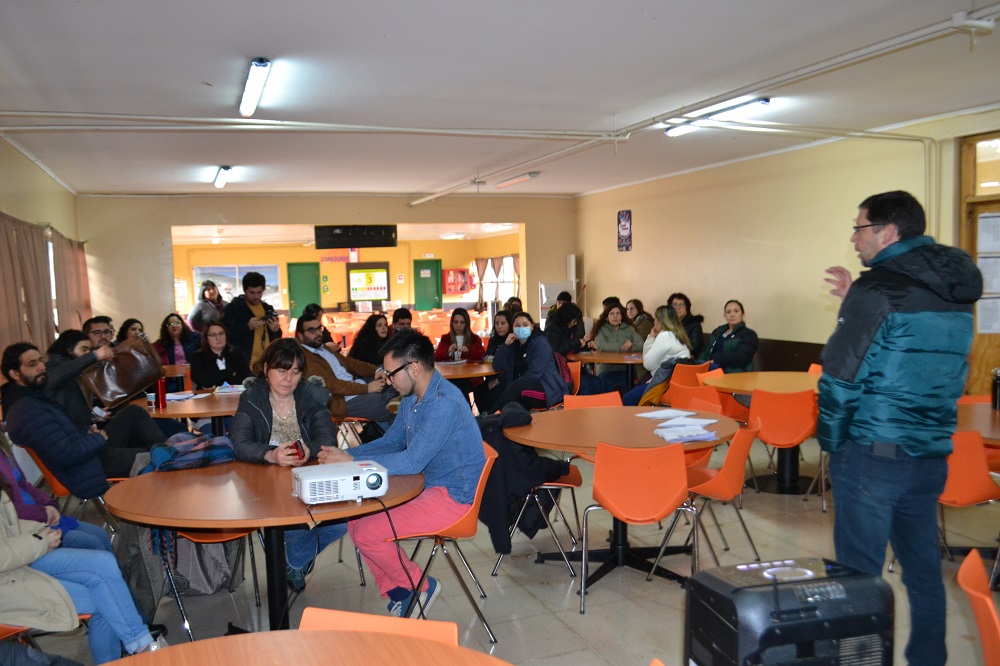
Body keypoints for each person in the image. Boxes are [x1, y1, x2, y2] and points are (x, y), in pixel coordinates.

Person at [817, 190, 982, 666]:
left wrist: (832, 444)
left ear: (888, 232)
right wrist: (858, 298)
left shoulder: (878, 291)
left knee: (857, 576)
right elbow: (915, 352)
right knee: (923, 572)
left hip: (871, 454)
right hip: (928, 454)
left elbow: (841, 376)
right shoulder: (952, 293)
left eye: (860, 227)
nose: (854, 238)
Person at [317, 330, 486, 617]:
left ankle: (420, 587)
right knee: (357, 522)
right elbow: (391, 442)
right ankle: (400, 593)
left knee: (369, 533)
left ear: (414, 368)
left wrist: (351, 462)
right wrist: (346, 456)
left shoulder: (443, 403)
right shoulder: (413, 396)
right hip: (429, 487)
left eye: (390, 373)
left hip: (453, 498)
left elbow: (411, 461)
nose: (387, 380)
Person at [0, 480, 167, 664]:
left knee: (103, 572)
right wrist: (39, 541)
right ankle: (142, 645)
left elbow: (8, 526)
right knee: (103, 593)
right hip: (9, 586)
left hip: (19, 564)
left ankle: (140, 644)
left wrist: (39, 531)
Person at [231, 339, 348, 592]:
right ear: (265, 370)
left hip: (310, 476)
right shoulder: (251, 398)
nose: (288, 379)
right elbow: (240, 444)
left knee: (340, 524)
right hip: (266, 483)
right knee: (291, 526)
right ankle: (293, 560)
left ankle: (291, 561)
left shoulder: (312, 395)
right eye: (281, 370)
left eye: (295, 372)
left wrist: (309, 448)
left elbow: (327, 437)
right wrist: (271, 455)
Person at [1, 343, 156, 496]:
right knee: (152, 457)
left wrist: (87, 431)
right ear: (15, 374)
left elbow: (62, 435)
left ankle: (166, 451)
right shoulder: (28, 411)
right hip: (87, 469)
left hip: (88, 453)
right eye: (32, 364)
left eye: (41, 360)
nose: (41, 367)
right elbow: (67, 454)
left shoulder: (32, 400)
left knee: (134, 414)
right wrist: (97, 438)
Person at [38, 337, 164, 480]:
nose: (88, 353)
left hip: (93, 439)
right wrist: (94, 356)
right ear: (68, 350)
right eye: (84, 349)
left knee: (134, 412)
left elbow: (70, 413)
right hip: (88, 453)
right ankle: (165, 457)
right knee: (146, 455)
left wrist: (92, 416)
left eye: (90, 350)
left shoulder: (75, 375)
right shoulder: (54, 370)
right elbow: (53, 379)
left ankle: (166, 452)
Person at [296, 313, 392, 427]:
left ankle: (381, 433)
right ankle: (394, 440)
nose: (318, 333)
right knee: (389, 406)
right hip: (343, 401)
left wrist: (377, 371)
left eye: (319, 328)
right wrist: (367, 388)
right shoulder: (306, 358)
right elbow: (332, 385)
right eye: (312, 330)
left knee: (391, 376)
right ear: (300, 335)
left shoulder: (324, 348)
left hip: (356, 387)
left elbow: (352, 364)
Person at [491, 312, 566, 411]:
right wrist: (505, 345)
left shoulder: (540, 343)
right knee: (505, 404)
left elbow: (534, 374)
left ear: (532, 327)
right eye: (517, 325)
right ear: (512, 328)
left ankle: (489, 416)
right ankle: (490, 420)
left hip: (546, 389)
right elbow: (497, 366)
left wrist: (514, 386)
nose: (521, 328)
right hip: (523, 389)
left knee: (516, 387)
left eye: (525, 325)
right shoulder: (514, 344)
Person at [622, 305, 692, 405]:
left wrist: (651, 337)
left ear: (661, 321)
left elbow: (647, 365)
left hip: (664, 385)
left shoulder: (665, 336)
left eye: (656, 319)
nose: (654, 322)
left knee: (627, 398)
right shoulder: (679, 334)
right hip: (679, 384)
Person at [221, 271, 281, 368]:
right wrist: (247, 327)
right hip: (243, 363)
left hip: (267, 363)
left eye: (259, 292)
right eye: (251, 293)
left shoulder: (268, 309)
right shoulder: (233, 308)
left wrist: (276, 330)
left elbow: (277, 338)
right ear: (245, 291)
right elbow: (225, 335)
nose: (256, 296)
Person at [588, 302, 644, 393]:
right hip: (606, 367)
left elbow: (641, 344)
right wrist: (622, 346)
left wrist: (631, 346)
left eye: (618, 313)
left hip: (625, 368)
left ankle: (626, 406)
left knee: (626, 384)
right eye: (612, 314)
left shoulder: (629, 329)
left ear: (622, 316)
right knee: (608, 383)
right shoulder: (601, 329)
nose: (615, 316)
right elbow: (601, 346)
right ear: (607, 317)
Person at [698, 300, 758, 373]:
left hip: (734, 373)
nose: (732, 315)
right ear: (725, 316)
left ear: (742, 314)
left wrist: (716, 359)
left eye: (736, 311)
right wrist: (698, 365)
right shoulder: (718, 331)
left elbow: (741, 357)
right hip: (711, 368)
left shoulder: (749, 334)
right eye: (728, 312)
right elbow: (706, 350)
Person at [189, 322, 251, 389]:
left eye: (221, 333)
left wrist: (216, 381)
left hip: (235, 393)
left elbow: (244, 376)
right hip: (207, 396)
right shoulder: (198, 356)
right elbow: (204, 381)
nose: (218, 338)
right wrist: (229, 372)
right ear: (206, 338)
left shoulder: (236, 352)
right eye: (213, 335)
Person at [473, 310, 513, 410]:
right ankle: (484, 416)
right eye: (496, 323)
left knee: (491, 395)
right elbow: (487, 358)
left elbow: (513, 366)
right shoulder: (493, 340)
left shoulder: (513, 341)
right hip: (491, 376)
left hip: (506, 379)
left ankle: (490, 417)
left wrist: (498, 380)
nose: (499, 326)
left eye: (503, 323)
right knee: (478, 390)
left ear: (510, 324)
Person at [668, 292, 705, 357]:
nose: (678, 308)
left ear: (687, 308)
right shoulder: (667, 323)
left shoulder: (694, 325)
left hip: (684, 358)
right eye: (674, 305)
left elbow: (695, 347)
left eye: (681, 305)